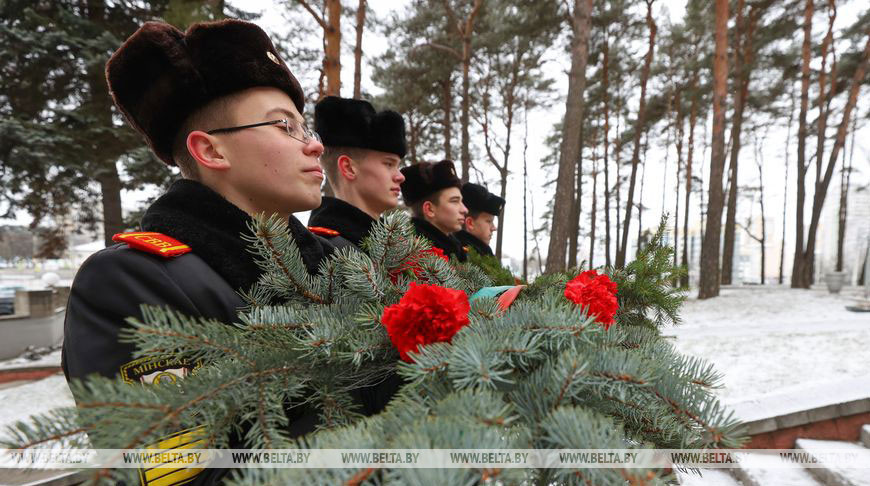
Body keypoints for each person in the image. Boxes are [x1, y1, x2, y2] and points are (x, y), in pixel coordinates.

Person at [61, 19, 332, 484]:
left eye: (304, 126)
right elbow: (188, 475)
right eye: (284, 126)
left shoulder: (339, 260)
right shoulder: (131, 282)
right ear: (210, 150)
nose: (315, 144)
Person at [307, 96, 406, 250]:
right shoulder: (326, 253)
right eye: (388, 164)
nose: (400, 177)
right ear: (348, 168)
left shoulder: (392, 249)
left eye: (397, 166)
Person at [399, 160, 468, 262]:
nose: (465, 210)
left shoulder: (457, 250)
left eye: (461, 201)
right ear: (429, 209)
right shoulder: (413, 258)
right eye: (454, 201)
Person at [455, 183, 505, 258]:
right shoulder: (462, 256)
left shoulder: (483, 252)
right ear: (470, 223)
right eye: (489, 221)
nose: (494, 228)